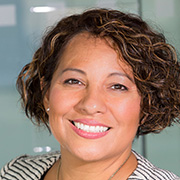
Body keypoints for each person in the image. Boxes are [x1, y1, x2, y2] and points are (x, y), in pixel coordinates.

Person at [1, 8, 180, 180]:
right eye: (74, 81)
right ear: (46, 93)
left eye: (117, 86)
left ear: (147, 105)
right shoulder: (14, 172)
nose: (90, 104)